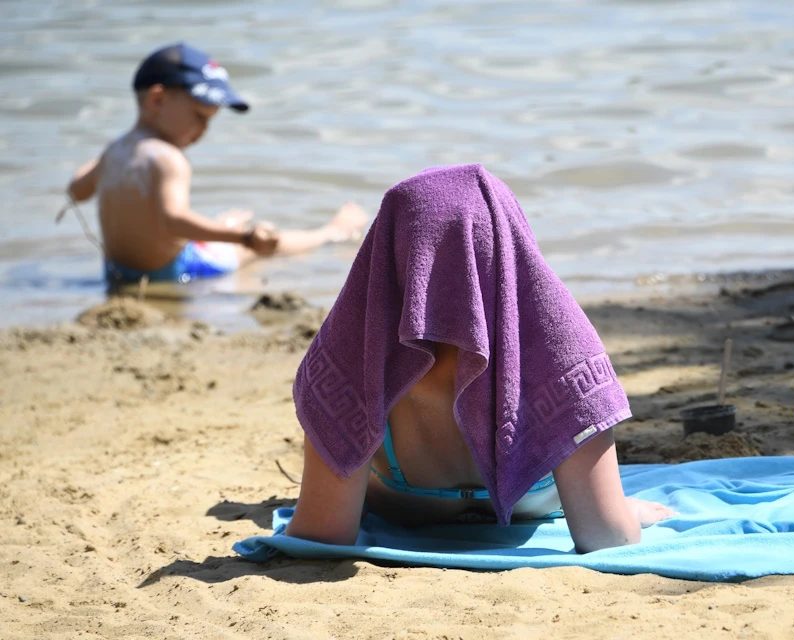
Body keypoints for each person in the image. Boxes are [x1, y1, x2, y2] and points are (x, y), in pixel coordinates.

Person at [285, 165, 673, 554]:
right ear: (512, 248)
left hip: (402, 510)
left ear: (384, 251)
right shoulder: (560, 346)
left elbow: (322, 535)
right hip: (533, 508)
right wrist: (628, 512)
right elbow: (608, 538)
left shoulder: (355, 351)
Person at [65, 42, 368, 285]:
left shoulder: (114, 152)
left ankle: (221, 228)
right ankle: (330, 232)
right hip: (172, 273)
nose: (204, 130)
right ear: (157, 101)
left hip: (120, 274)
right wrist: (244, 237)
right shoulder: (168, 158)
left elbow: (76, 191)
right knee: (256, 248)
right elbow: (173, 220)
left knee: (216, 230)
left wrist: (112, 156)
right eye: (199, 116)